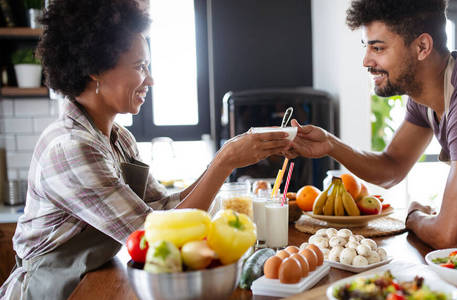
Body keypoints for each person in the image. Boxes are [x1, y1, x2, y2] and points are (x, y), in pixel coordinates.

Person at [0, 0, 290, 299]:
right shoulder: (72, 149)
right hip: (50, 290)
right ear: (95, 70)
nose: (150, 79)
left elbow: (164, 211)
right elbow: (155, 237)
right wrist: (226, 161)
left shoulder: (118, 138)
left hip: (88, 281)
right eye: (140, 67)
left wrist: (226, 157)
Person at [287, 0, 457, 258]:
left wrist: (413, 217)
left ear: (422, 47)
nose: (366, 60)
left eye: (378, 48)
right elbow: (391, 167)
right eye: (367, 47)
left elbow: (452, 235)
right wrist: (331, 144)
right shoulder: (425, 100)